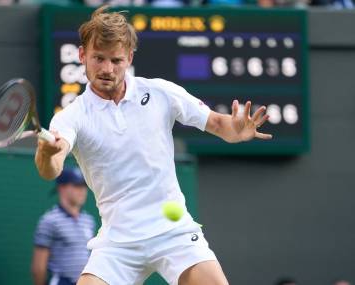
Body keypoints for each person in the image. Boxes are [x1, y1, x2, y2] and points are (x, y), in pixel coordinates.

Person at [35, 6, 272, 285]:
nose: (107, 69)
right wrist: (47, 153)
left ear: (130, 58)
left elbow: (221, 125)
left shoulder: (160, 92)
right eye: (99, 58)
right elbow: (51, 169)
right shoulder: (71, 116)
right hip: (118, 243)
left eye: (116, 60)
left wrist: (238, 131)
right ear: (82, 55)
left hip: (174, 233)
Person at [32, 167, 96, 285]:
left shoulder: (89, 220)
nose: (82, 191)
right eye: (77, 186)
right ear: (62, 188)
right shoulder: (49, 221)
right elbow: (39, 267)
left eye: (84, 186)